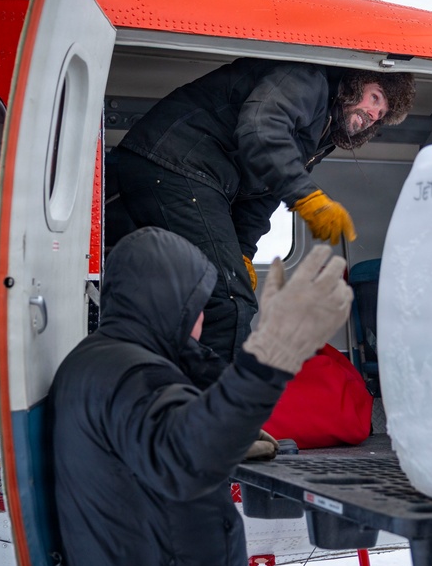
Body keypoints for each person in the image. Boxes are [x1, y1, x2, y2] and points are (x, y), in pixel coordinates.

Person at [44, 227, 353, 566]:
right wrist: (269, 358)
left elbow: (160, 438)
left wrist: (223, 425)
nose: (203, 318)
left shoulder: (102, 360)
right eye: (196, 306)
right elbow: (183, 461)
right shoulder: (133, 375)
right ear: (169, 304)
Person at [106, 58, 415, 362]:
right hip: (176, 164)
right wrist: (305, 196)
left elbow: (262, 193)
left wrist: (242, 251)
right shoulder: (308, 80)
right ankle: (215, 408)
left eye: (380, 115)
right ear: (357, 81)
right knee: (229, 303)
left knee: (167, 294)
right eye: (375, 98)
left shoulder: (325, 130)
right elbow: (260, 129)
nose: (372, 114)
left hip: (182, 174)